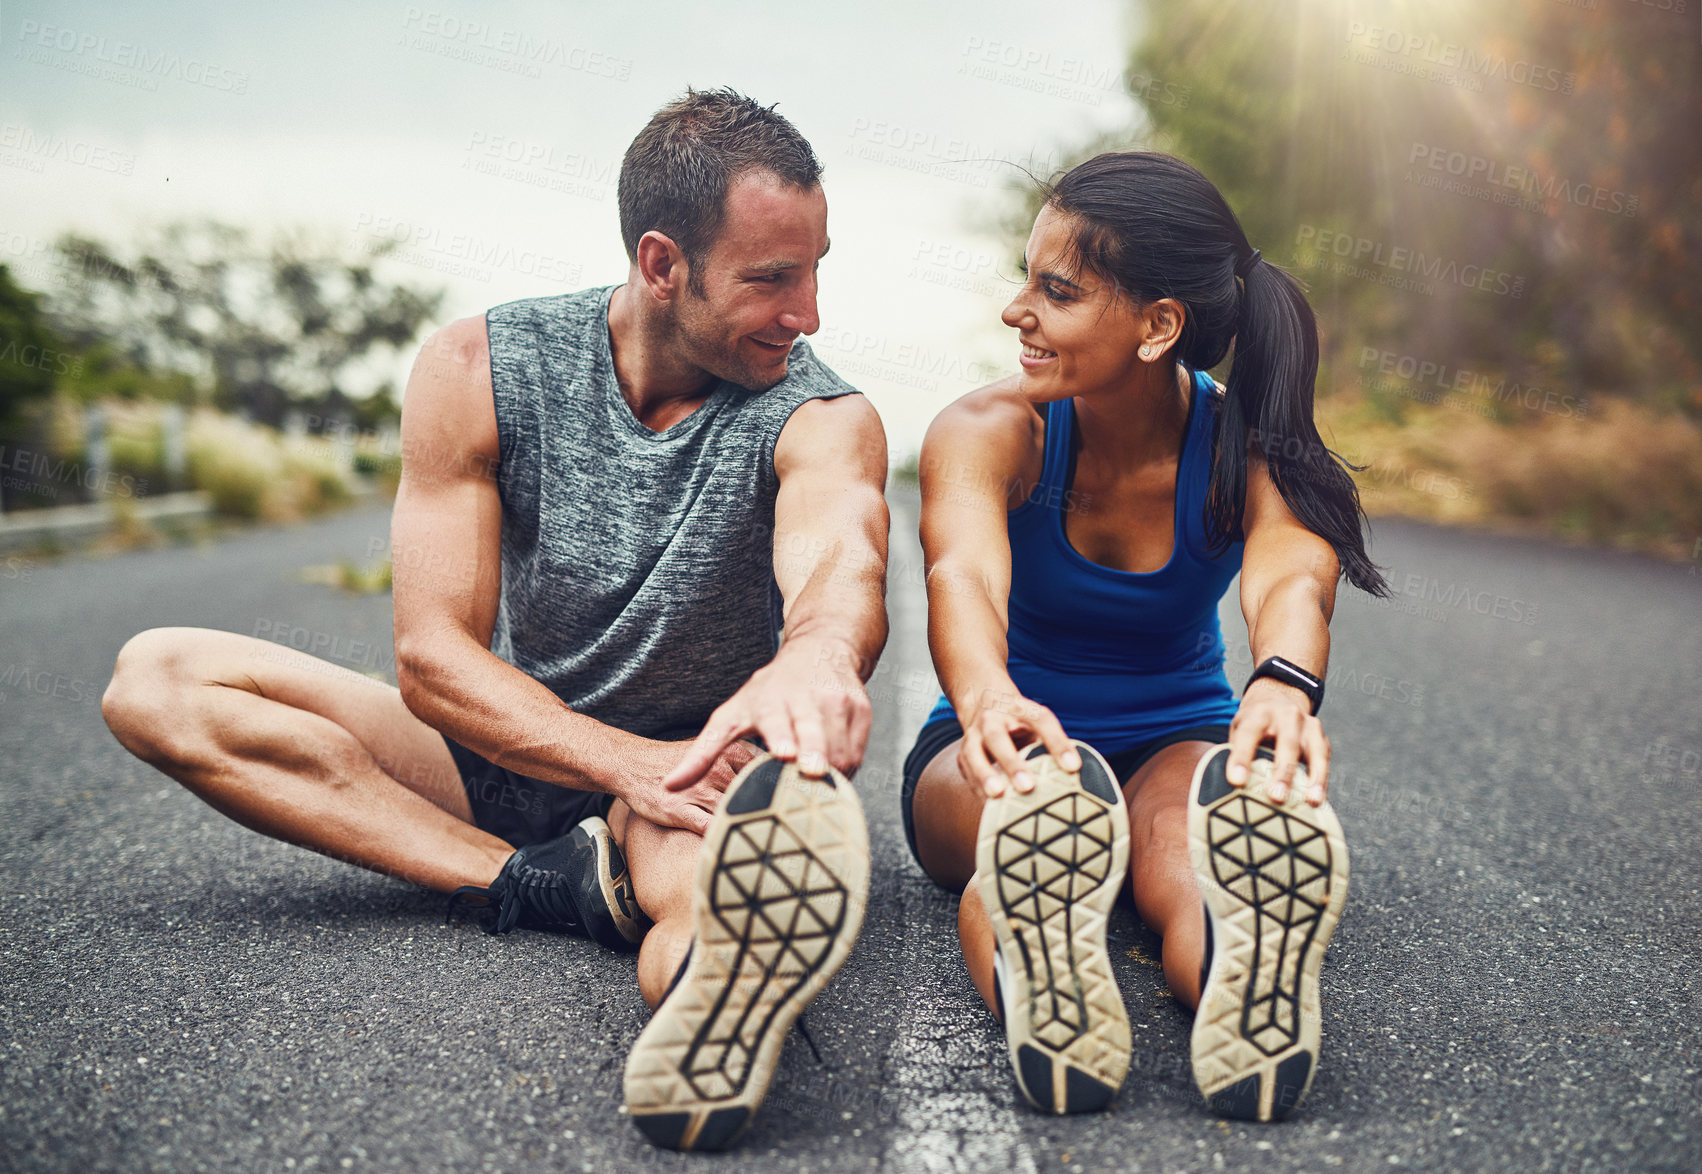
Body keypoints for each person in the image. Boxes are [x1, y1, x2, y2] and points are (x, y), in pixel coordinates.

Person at [100, 87, 890, 1153]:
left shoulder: (821, 414)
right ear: (662, 265)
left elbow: (839, 549)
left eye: (814, 268)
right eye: (770, 278)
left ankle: (711, 1020)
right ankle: (533, 884)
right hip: (510, 744)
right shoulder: (480, 367)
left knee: (725, 930)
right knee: (157, 678)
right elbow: (430, 659)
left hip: (691, 780)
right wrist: (613, 760)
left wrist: (820, 654)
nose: (807, 312)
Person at [900, 151, 1387, 1122]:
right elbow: (962, 572)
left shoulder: (1243, 441)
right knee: (1027, 807)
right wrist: (989, 698)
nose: (1015, 311)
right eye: (1025, 279)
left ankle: (1237, 979)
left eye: (1056, 290)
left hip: (1178, 738)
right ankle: (1045, 964)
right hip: (995, 739)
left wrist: (1283, 683)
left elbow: (1293, 564)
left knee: (1181, 846)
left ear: (1158, 324)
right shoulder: (992, 431)